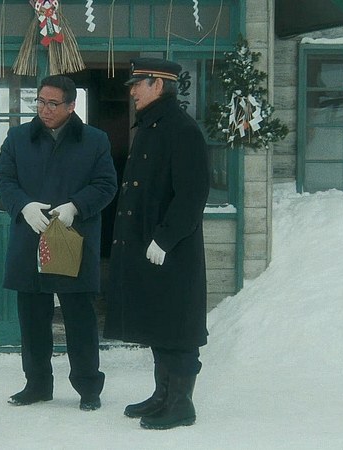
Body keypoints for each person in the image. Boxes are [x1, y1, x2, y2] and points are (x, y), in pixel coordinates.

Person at [0, 75, 117, 412]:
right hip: (30, 238)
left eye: (52, 103)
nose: (44, 109)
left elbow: (106, 184)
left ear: (71, 106)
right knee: (32, 318)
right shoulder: (18, 137)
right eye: (40, 101)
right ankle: (37, 385)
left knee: (80, 319)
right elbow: (3, 178)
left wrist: (76, 206)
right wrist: (23, 205)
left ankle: (88, 387)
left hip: (72, 238)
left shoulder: (94, 140)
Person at [104, 58, 210, 430]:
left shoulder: (181, 129)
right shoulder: (151, 126)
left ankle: (181, 404)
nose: (132, 91)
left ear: (159, 85)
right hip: (149, 247)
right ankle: (162, 394)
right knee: (159, 323)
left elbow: (192, 194)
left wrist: (165, 238)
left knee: (176, 327)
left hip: (172, 250)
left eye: (138, 84)